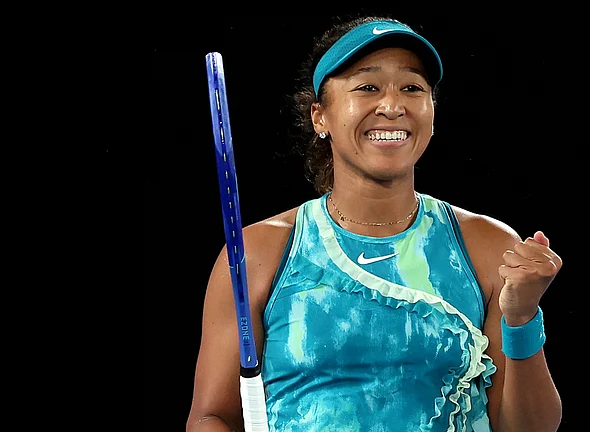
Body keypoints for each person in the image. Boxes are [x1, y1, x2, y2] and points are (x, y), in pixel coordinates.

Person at [187, 15, 563, 432]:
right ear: (319, 117)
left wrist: (523, 317)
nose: (392, 105)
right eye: (367, 87)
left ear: (432, 114)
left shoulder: (487, 246)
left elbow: (531, 428)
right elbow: (211, 417)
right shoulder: (256, 254)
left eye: (412, 88)